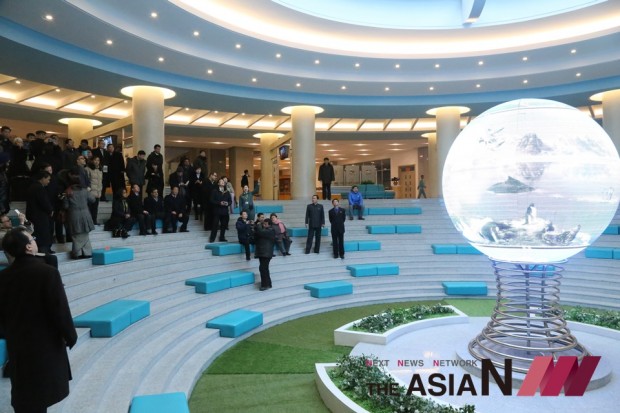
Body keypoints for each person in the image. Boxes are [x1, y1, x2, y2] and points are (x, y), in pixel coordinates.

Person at [0, 227, 77, 413]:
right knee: (40, 390)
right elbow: (60, 310)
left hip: (17, 342)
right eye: (32, 239)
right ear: (28, 247)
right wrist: (70, 335)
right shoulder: (47, 273)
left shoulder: (3, 276)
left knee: (24, 389)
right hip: (43, 342)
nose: (34, 241)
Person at [63, 170, 96, 259]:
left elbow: (65, 206)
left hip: (74, 215)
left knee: (76, 235)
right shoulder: (85, 191)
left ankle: (77, 253)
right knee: (85, 234)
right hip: (85, 214)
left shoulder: (68, 192)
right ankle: (87, 252)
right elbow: (93, 200)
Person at [26, 170, 54, 253]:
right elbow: (44, 202)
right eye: (48, 179)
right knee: (43, 235)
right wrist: (50, 210)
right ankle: (44, 251)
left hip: (33, 215)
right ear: (42, 178)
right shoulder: (39, 188)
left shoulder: (32, 187)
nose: (49, 182)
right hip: (40, 216)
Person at [254, 219, 275, 291]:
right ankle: (268, 283)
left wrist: (258, 225)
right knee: (264, 268)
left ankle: (265, 285)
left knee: (263, 268)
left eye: (265, 224)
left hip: (266, 253)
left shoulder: (270, 231)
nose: (263, 225)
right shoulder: (265, 231)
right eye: (263, 224)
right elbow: (257, 235)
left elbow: (260, 232)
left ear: (269, 225)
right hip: (263, 252)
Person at [85, 157, 103, 225]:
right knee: (89, 208)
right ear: (92, 161)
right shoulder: (87, 169)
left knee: (95, 208)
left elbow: (100, 181)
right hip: (91, 192)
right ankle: (89, 222)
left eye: (98, 160)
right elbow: (86, 180)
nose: (96, 161)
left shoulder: (100, 170)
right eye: (95, 160)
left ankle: (94, 221)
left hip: (98, 192)